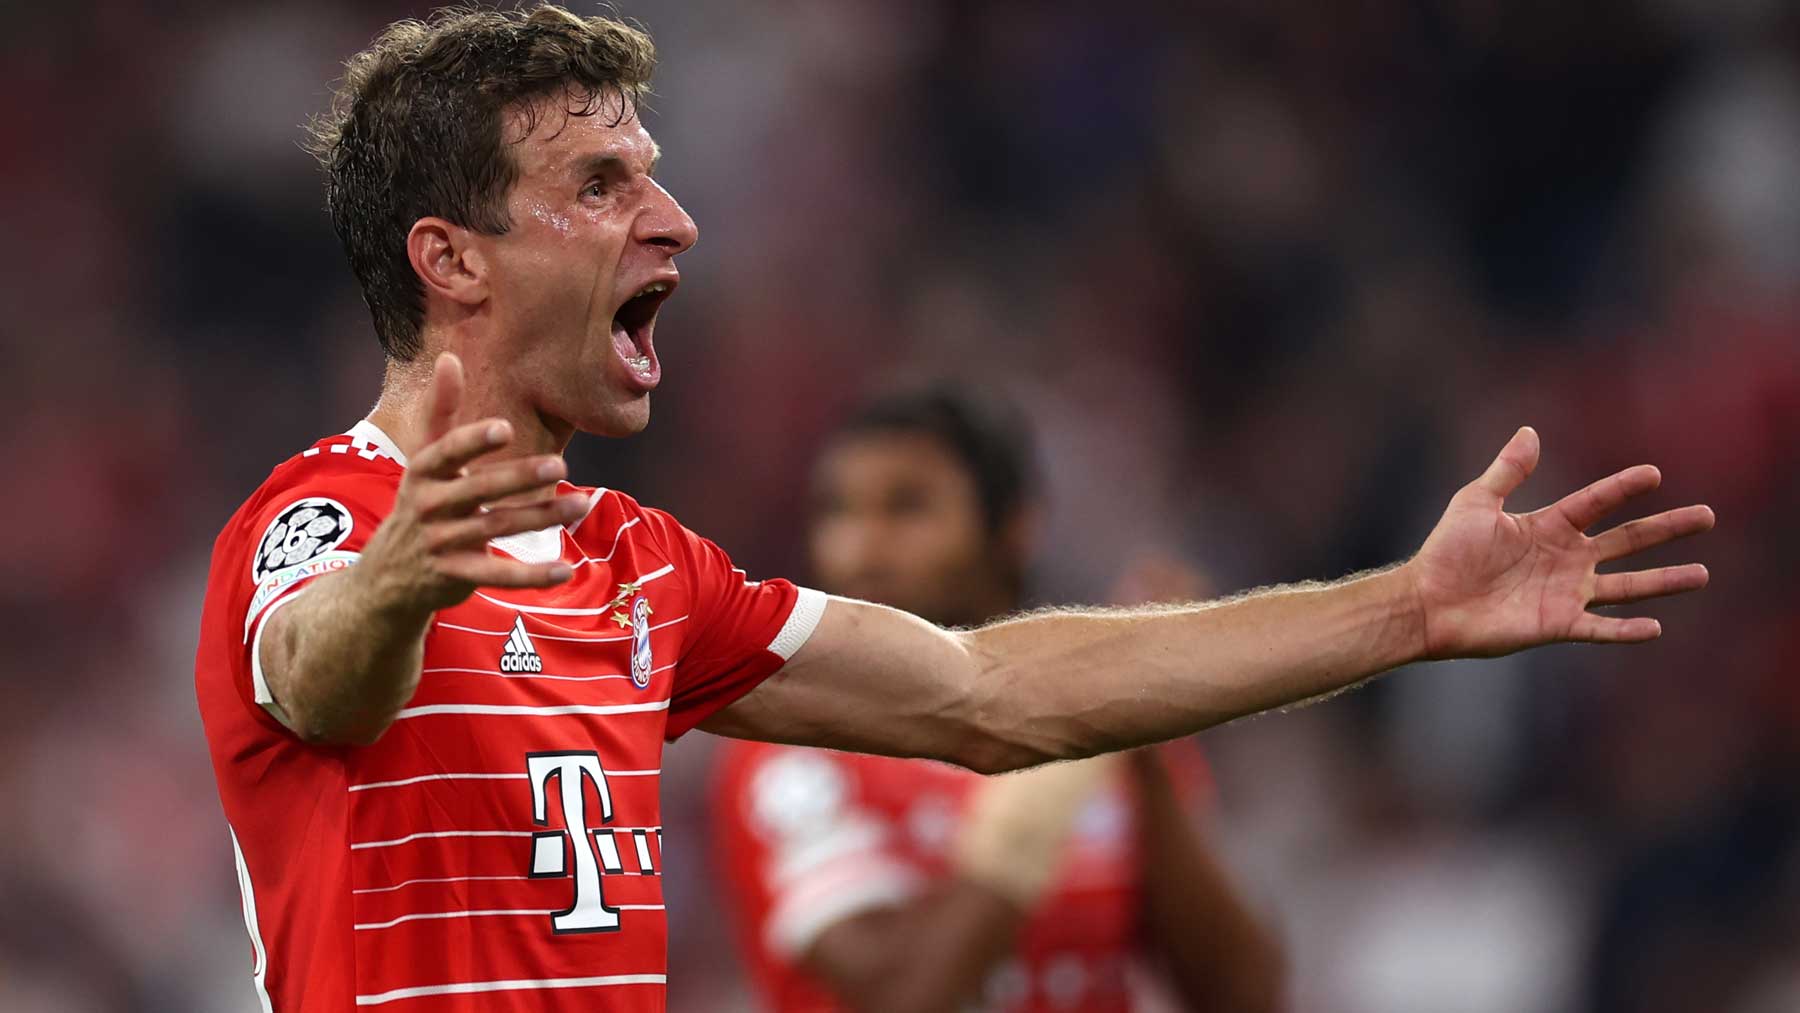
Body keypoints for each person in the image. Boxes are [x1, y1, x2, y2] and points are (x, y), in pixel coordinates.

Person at [192, 7, 1714, 1012]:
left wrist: (1409, 610)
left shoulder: (638, 566)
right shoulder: (317, 517)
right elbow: (321, 669)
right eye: (599, 184)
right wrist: (401, 580)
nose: (672, 218)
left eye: (650, 174)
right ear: (451, 261)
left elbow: (994, 693)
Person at [710, 386, 1284, 1012]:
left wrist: (1139, 742)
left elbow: (1245, 996)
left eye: (907, 508)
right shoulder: (795, 746)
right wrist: (1067, 756)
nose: (860, 549)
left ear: (1014, 528)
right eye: (837, 512)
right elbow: (896, 999)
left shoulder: (1116, 738)